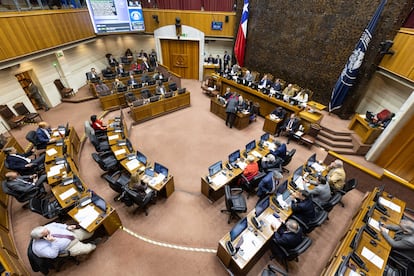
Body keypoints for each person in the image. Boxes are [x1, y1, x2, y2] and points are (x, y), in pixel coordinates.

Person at [31, 222, 96, 259]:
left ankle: (85, 240)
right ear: (41, 238)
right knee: (89, 248)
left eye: (47, 230)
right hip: (68, 247)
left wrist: (66, 227)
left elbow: (55, 224)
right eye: (47, 234)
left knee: (90, 232)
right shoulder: (39, 248)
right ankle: (92, 244)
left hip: (71, 234)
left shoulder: (45, 228)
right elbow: (53, 255)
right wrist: (53, 242)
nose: (49, 232)